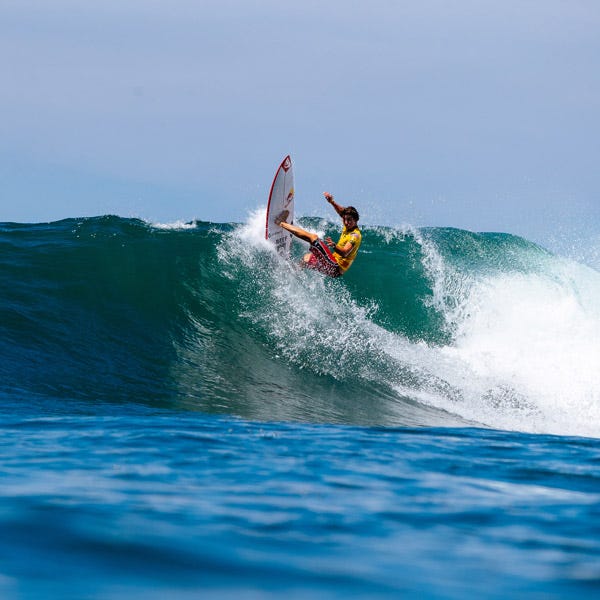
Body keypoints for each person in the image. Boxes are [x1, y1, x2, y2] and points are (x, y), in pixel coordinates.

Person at [275, 192, 362, 278]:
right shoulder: (348, 227)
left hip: (335, 267)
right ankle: (293, 272)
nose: (346, 222)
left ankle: (281, 223)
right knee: (307, 258)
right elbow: (342, 212)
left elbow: (345, 253)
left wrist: (334, 246)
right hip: (334, 269)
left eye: (349, 220)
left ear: (356, 220)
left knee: (313, 238)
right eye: (344, 219)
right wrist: (332, 202)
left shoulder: (355, 236)